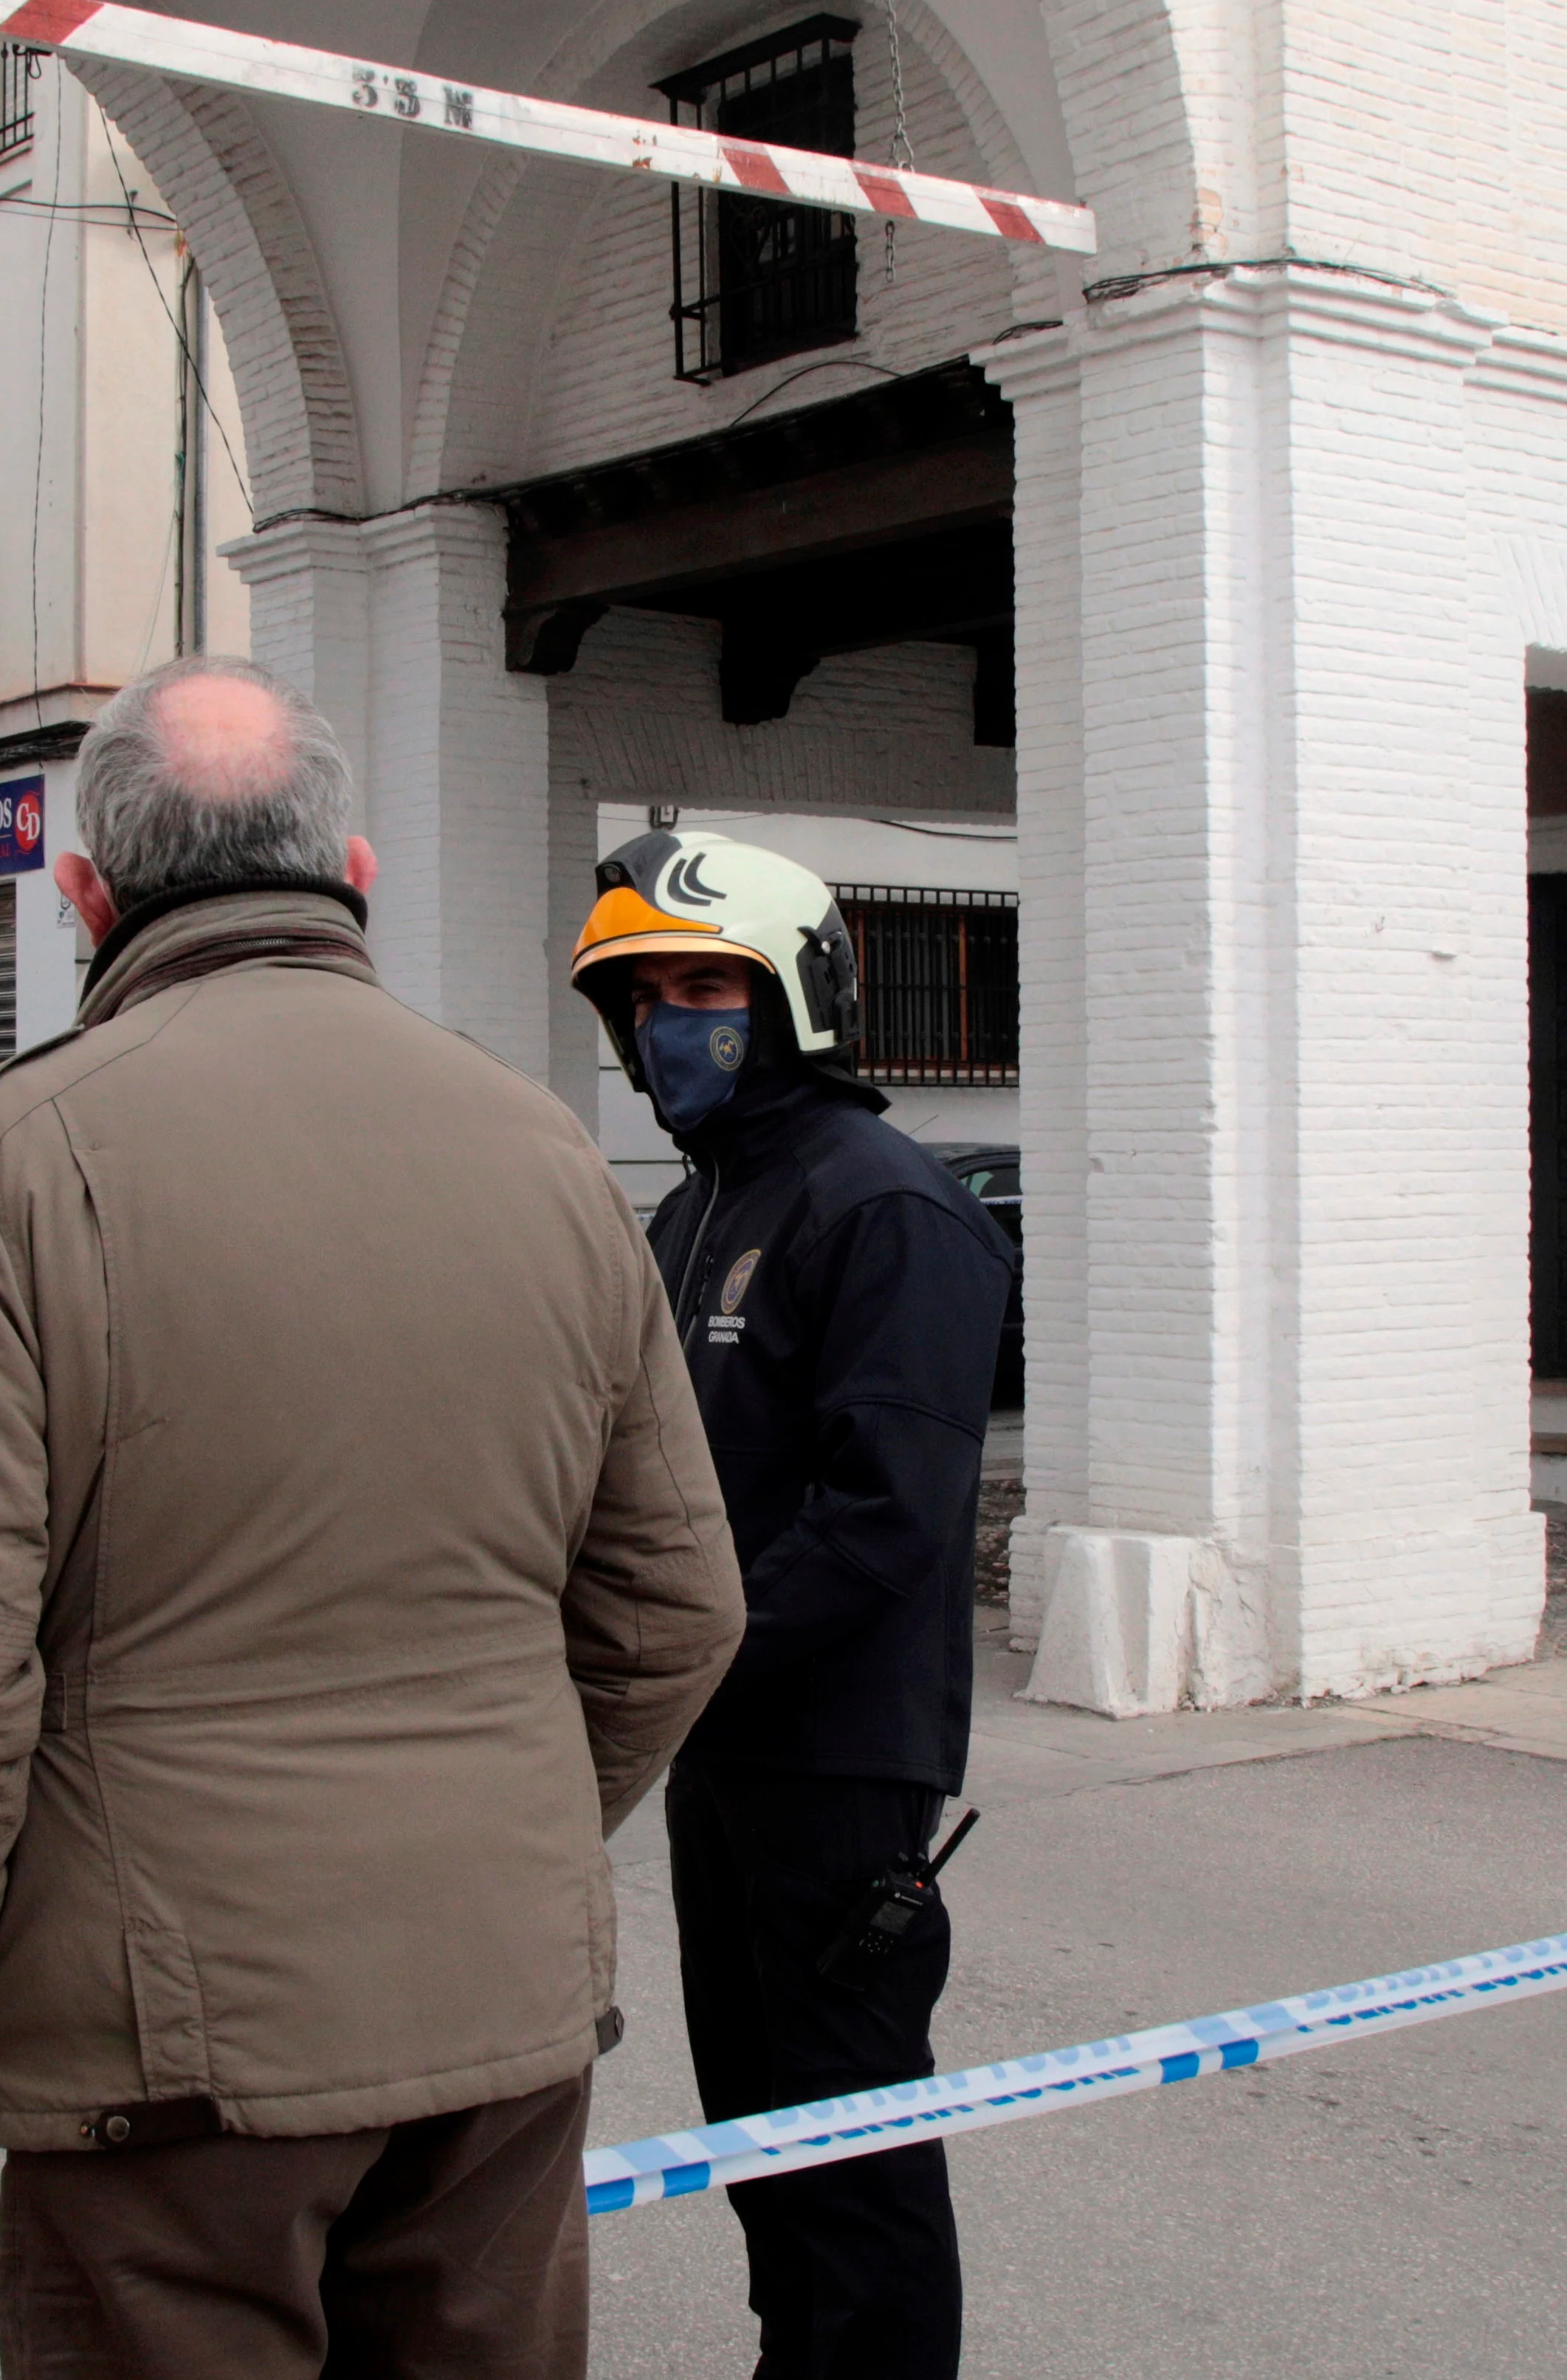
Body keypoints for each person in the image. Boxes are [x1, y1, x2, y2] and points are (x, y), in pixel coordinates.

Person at [0, 655, 743, 2380]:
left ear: (82, 895)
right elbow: (677, 1605)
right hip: (500, 2009)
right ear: (354, 877)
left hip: (171, 2051)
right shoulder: (544, 1151)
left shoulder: (6, 1162)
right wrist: (496, 1824)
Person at [567, 828, 1013, 2380]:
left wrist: (678, 1654)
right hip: (720, 1752)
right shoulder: (693, 1210)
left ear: (791, 994)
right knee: (753, 2126)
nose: (668, 1021)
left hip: (836, 1765)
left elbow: (885, 1519)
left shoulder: (886, 1207)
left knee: (855, 2142)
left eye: (704, 983)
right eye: (642, 995)